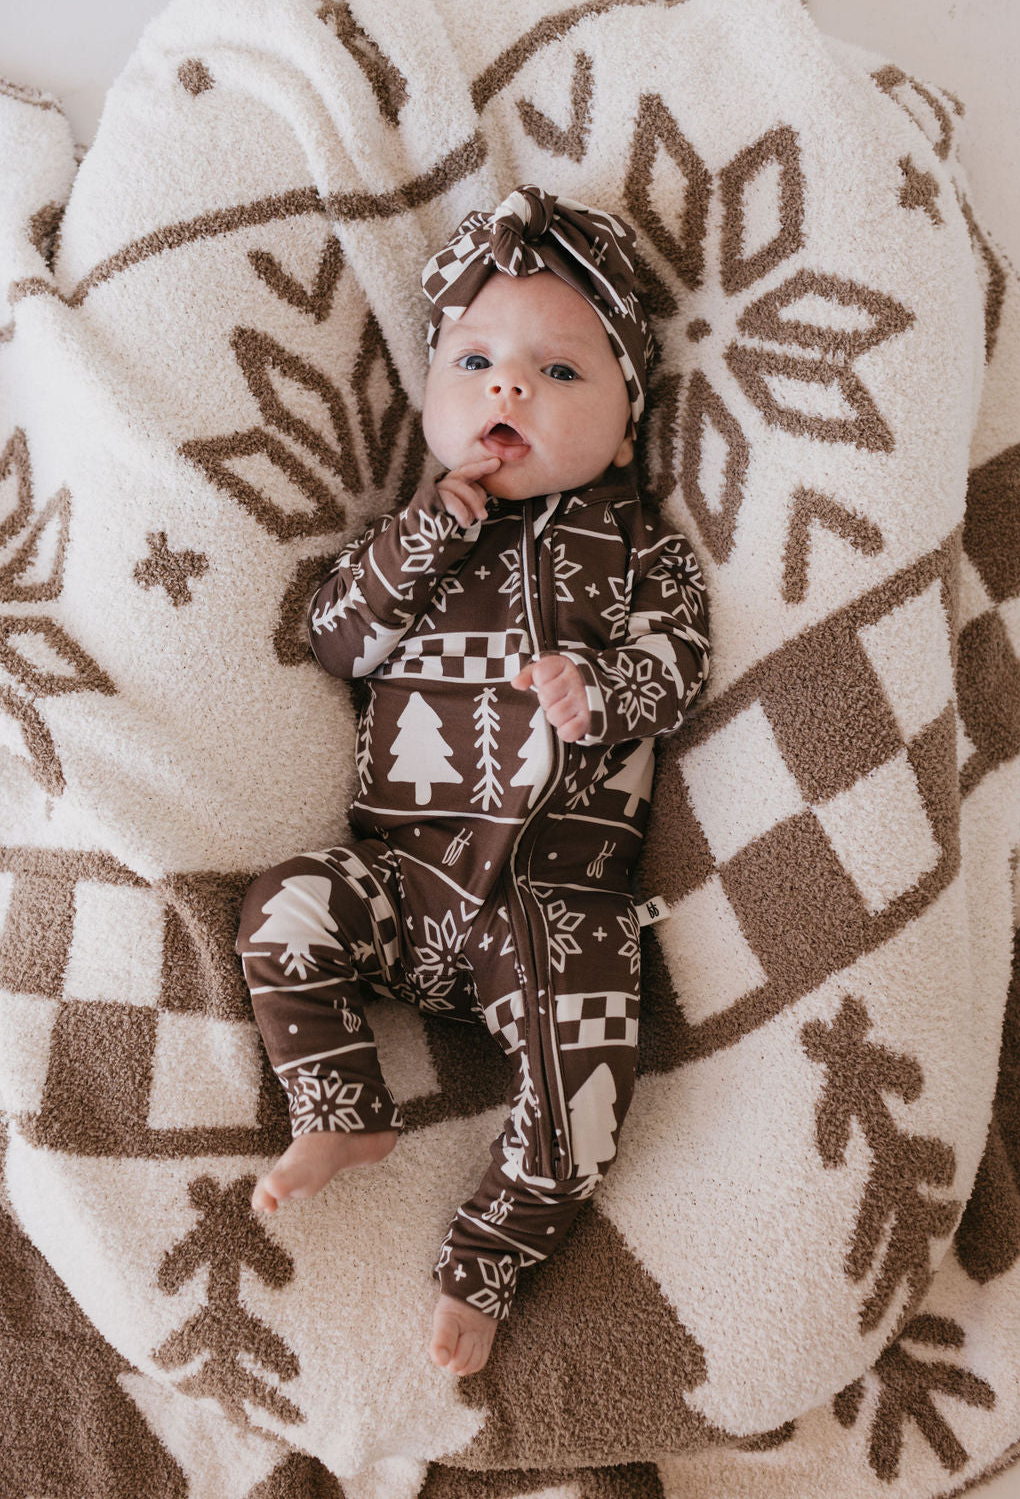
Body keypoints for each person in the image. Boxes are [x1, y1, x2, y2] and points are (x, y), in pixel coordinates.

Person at [236, 185, 711, 1376]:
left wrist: (603, 693)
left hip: (552, 908)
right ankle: (339, 1107)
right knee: (286, 903)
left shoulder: (637, 547)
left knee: (590, 1066)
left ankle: (493, 1248)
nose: (509, 388)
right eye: (478, 361)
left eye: (559, 375)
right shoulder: (419, 542)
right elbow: (333, 637)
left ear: (624, 416)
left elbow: (683, 659)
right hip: (404, 882)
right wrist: (417, 540)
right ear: (435, 389)